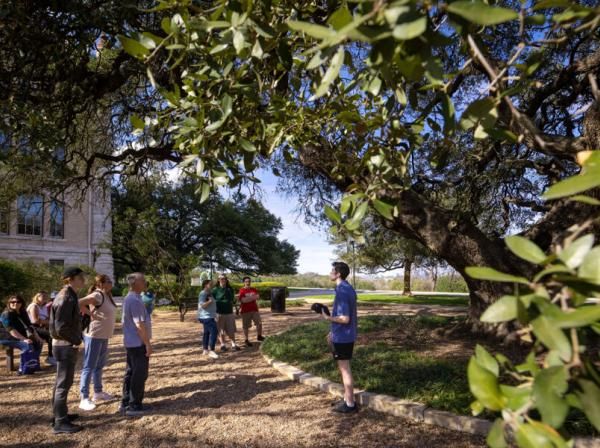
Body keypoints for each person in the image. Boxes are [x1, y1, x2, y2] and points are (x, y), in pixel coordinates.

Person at [49, 266, 86, 434]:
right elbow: (61, 327)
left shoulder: (68, 295)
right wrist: (77, 340)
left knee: (61, 383)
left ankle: (59, 414)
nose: (83, 280)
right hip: (65, 346)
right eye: (80, 277)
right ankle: (60, 422)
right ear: (70, 279)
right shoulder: (66, 298)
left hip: (63, 345)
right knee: (63, 384)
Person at [321, 262, 358, 414]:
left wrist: (328, 317)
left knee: (345, 369)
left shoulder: (342, 290)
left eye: (332, 271)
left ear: (338, 274)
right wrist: (333, 332)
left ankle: (350, 404)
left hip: (343, 338)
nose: (330, 273)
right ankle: (346, 398)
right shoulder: (347, 288)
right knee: (343, 368)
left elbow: (345, 318)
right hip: (343, 335)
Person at [78, 274, 118, 411]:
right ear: (100, 283)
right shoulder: (97, 295)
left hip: (103, 336)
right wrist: (91, 314)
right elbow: (78, 303)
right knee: (89, 366)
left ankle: (98, 392)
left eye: (111, 280)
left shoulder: (107, 295)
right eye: (108, 281)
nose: (111, 283)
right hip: (94, 336)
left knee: (99, 366)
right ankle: (84, 398)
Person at [120, 272, 152, 417]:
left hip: (131, 342)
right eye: (143, 280)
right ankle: (134, 405)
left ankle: (127, 401)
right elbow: (139, 325)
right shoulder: (134, 300)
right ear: (135, 283)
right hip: (137, 343)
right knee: (139, 373)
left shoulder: (132, 298)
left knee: (131, 372)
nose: (145, 282)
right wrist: (147, 344)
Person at [1, 294, 43, 374]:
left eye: (18, 302)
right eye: (12, 302)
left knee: (38, 343)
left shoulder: (23, 312)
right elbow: (11, 330)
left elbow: (30, 326)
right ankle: (22, 368)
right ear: (9, 303)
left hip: (19, 336)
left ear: (21, 303)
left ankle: (33, 365)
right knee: (27, 345)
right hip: (6, 337)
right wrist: (24, 339)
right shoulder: (6, 314)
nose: (15, 303)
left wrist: (37, 337)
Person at [27, 291, 56, 366]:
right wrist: (48, 322)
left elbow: (46, 318)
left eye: (46, 296)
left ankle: (53, 356)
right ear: (37, 297)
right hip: (32, 328)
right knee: (50, 335)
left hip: (41, 326)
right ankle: (50, 357)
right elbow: (35, 320)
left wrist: (48, 322)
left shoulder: (44, 306)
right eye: (43, 296)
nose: (45, 298)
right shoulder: (34, 306)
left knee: (55, 333)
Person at [213, 274, 240, 351]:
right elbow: (211, 300)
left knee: (231, 329)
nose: (223, 280)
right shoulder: (215, 290)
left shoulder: (229, 289)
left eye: (224, 278)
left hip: (229, 312)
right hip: (219, 312)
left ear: (226, 280)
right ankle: (223, 345)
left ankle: (233, 344)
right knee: (220, 330)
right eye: (221, 279)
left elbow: (232, 300)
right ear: (218, 280)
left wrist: (236, 298)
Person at [238, 277, 264, 346]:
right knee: (246, 326)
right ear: (244, 282)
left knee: (259, 323)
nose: (248, 282)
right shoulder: (242, 290)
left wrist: (248, 298)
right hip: (245, 311)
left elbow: (258, 296)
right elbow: (243, 300)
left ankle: (259, 336)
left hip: (254, 310)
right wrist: (252, 297)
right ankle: (246, 340)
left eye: (249, 281)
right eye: (246, 281)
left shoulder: (253, 289)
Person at [197, 279, 218, 359]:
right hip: (206, 316)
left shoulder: (209, 293)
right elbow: (202, 305)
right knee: (214, 332)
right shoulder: (203, 293)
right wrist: (209, 301)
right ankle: (211, 351)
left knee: (207, 333)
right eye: (210, 284)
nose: (212, 285)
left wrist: (215, 314)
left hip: (209, 316)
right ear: (206, 285)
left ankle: (205, 349)